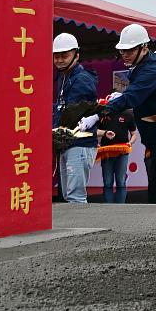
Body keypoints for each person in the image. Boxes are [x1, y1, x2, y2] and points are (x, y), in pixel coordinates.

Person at [101, 24, 156, 204]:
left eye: (129, 50)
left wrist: (101, 111)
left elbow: (132, 97)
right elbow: (133, 95)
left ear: (144, 48)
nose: (124, 54)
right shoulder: (141, 67)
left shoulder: (150, 71)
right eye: (122, 50)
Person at [52, 33, 99, 204]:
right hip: (68, 143)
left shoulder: (82, 79)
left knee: (75, 197)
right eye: (56, 56)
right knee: (68, 195)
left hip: (80, 143)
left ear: (76, 55)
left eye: (65, 56)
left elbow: (71, 112)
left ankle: (85, 231)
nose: (59, 60)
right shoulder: (63, 78)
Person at [96, 102, 138, 203]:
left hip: (122, 153)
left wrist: (130, 143)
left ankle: (120, 208)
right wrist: (97, 143)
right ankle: (108, 208)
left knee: (121, 181)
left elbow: (134, 134)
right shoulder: (103, 114)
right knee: (107, 181)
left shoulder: (128, 114)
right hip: (106, 152)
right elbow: (96, 131)